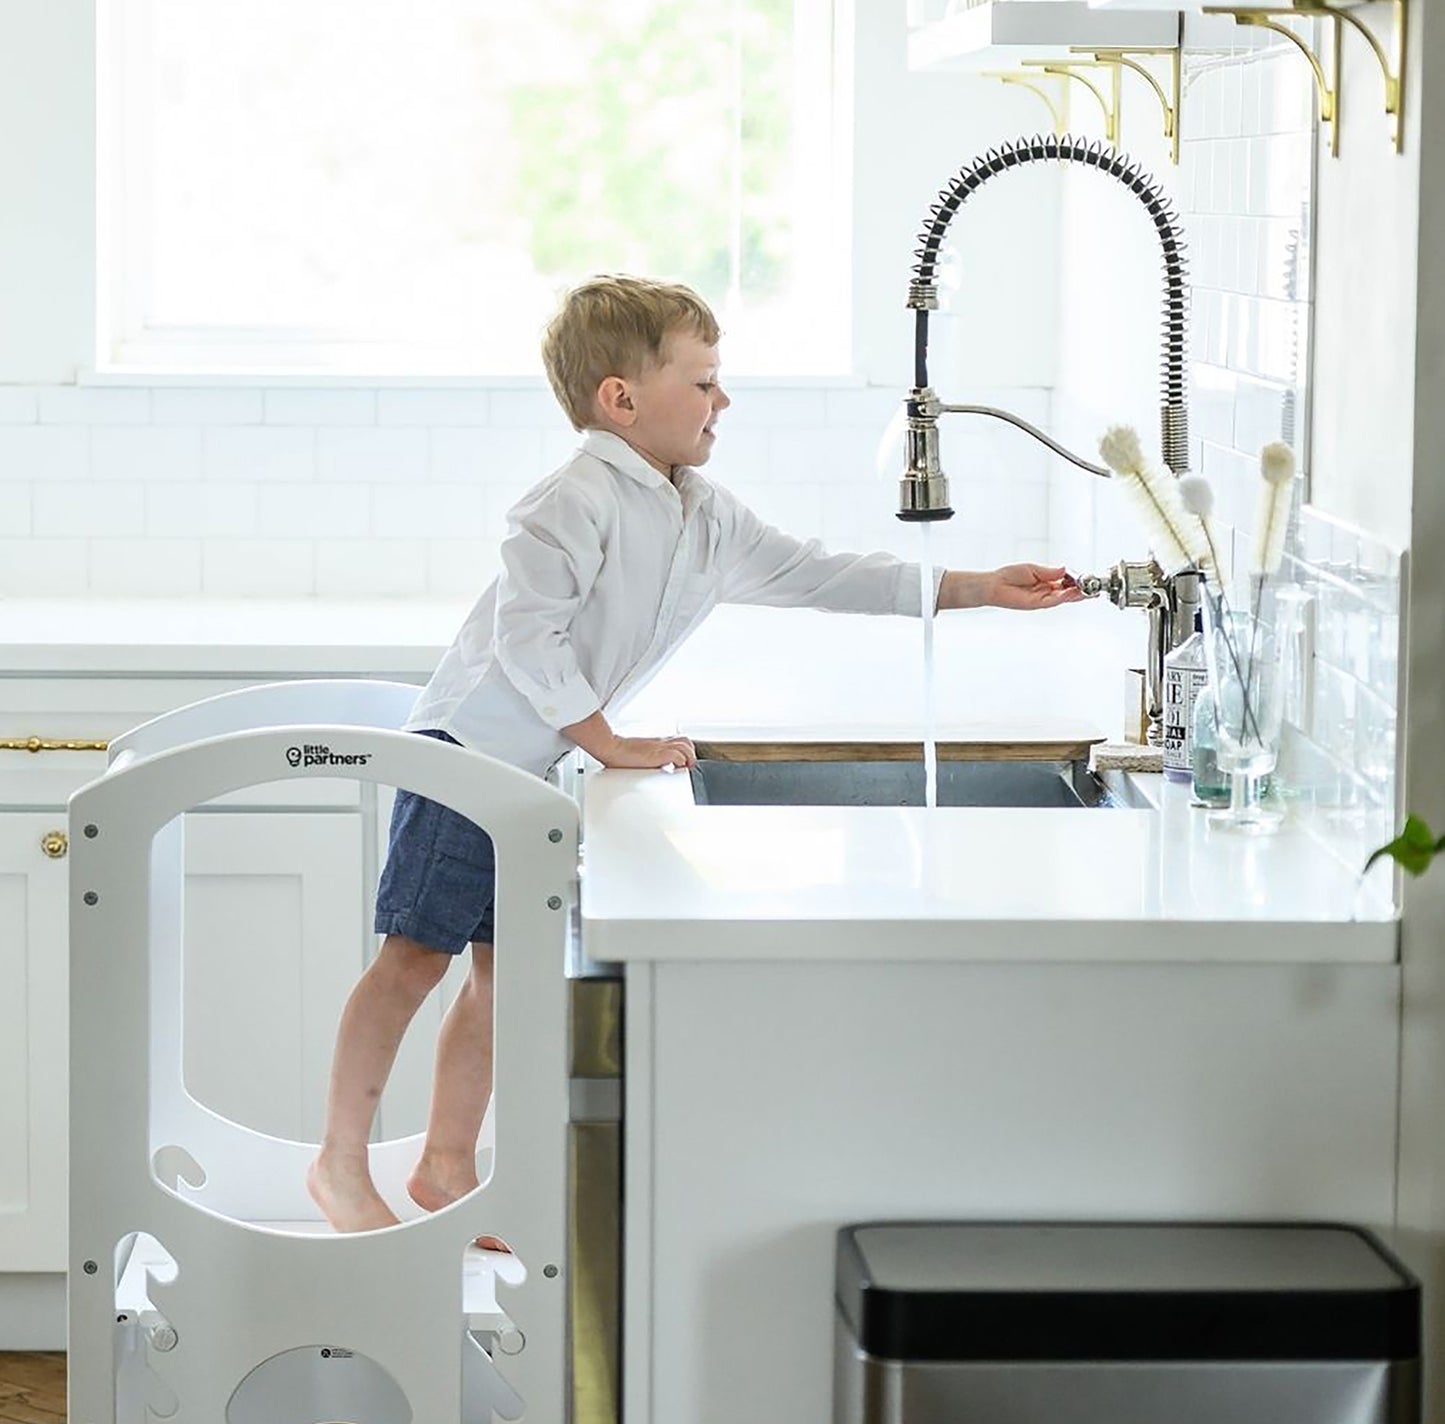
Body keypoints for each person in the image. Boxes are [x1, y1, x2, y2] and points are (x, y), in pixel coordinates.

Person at [306, 274, 1084, 1237]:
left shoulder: (702, 514)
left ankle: (446, 1166)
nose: (725, 402)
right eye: (705, 382)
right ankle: (339, 1164)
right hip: (466, 753)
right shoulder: (570, 500)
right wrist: (609, 742)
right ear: (619, 399)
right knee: (412, 959)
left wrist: (976, 586)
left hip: (531, 766)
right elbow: (527, 641)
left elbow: (822, 573)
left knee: (500, 976)